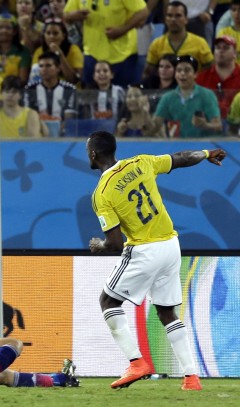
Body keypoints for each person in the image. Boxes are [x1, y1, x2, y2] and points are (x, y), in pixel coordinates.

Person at [85, 130, 227, 390]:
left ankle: (136, 362)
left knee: (108, 300)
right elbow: (181, 158)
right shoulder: (141, 162)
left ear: (93, 154)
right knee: (166, 311)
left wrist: (99, 244)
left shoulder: (102, 193)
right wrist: (207, 154)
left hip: (144, 250)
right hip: (171, 245)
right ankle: (192, 377)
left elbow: (116, 244)